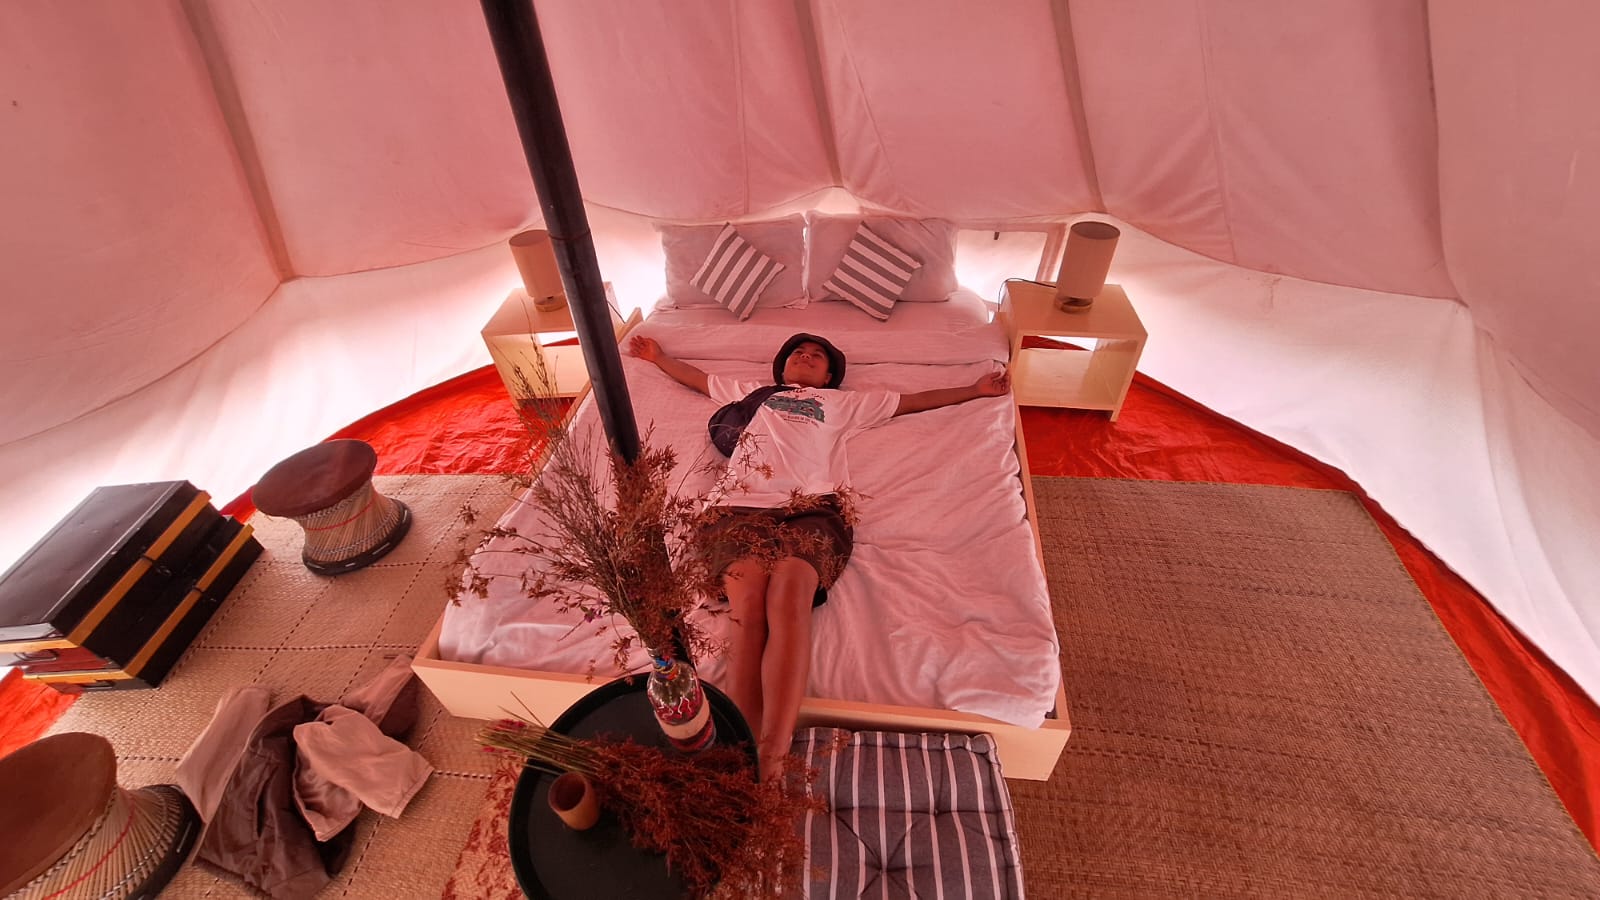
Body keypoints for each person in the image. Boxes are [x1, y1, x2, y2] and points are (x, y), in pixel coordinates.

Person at [629, 331, 1010, 777]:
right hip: (737, 507)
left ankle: (773, 758)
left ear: (830, 376)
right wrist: (659, 357)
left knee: (789, 601)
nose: (806, 356)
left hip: (813, 507)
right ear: (783, 367)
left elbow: (912, 401)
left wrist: (974, 390)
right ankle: (742, 758)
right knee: (747, 612)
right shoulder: (755, 393)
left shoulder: (843, 403)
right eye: (798, 352)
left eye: (817, 356)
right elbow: (699, 379)